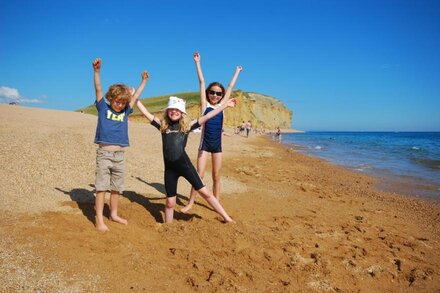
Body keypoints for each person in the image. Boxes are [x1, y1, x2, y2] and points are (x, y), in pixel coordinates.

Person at [136, 96, 236, 223]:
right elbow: (145, 113)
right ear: (167, 111)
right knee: (170, 202)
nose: (174, 111)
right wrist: (135, 99)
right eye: (171, 109)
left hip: (185, 166)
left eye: (177, 110)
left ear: (182, 112)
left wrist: (225, 106)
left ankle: (227, 218)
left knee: (205, 193)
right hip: (170, 170)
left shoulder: (187, 126)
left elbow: (208, 116)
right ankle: (169, 226)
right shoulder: (163, 126)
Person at [181, 51, 242, 213]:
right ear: (208, 93)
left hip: (217, 146)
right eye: (212, 92)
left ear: (222, 96)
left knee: (216, 176)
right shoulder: (204, 104)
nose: (215, 95)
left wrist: (237, 72)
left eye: (218, 93)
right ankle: (190, 203)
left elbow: (230, 87)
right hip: (204, 145)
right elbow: (201, 82)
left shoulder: (223, 106)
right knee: (198, 175)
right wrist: (197, 63)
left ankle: (217, 203)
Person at [92, 57, 148, 232]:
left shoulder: (126, 111)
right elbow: (98, 88)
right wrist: (97, 71)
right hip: (104, 154)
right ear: (111, 98)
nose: (120, 104)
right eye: (117, 100)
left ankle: (113, 214)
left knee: (116, 188)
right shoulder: (103, 107)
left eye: (123, 102)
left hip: (120, 155)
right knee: (101, 187)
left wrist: (144, 81)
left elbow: (136, 96)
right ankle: (99, 218)